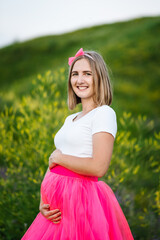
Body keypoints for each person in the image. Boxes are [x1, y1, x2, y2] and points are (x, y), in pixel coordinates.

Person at [21, 48, 134, 239]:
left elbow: (98, 167)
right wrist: (43, 200)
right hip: (56, 210)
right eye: (75, 74)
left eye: (87, 74)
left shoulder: (104, 113)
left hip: (80, 202)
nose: (79, 80)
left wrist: (58, 156)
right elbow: (53, 163)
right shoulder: (71, 118)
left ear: (99, 78)